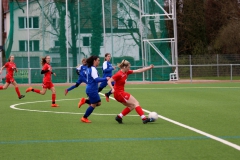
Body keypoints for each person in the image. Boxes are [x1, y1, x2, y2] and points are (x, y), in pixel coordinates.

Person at [107, 59, 155, 124]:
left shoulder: (126, 72)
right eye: (128, 67)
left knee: (131, 106)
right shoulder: (119, 74)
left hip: (119, 94)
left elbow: (138, 71)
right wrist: (112, 88)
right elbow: (109, 81)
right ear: (124, 67)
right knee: (136, 103)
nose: (129, 68)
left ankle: (119, 117)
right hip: (119, 94)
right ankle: (144, 119)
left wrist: (149, 67)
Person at [80, 55, 109, 123]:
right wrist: (105, 78)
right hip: (92, 89)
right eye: (98, 60)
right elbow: (96, 79)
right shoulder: (92, 69)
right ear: (94, 61)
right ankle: (84, 117)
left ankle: (84, 101)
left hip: (91, 88)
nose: (99, 61)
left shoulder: (90, 68)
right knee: (94, 104)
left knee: (98, 103)